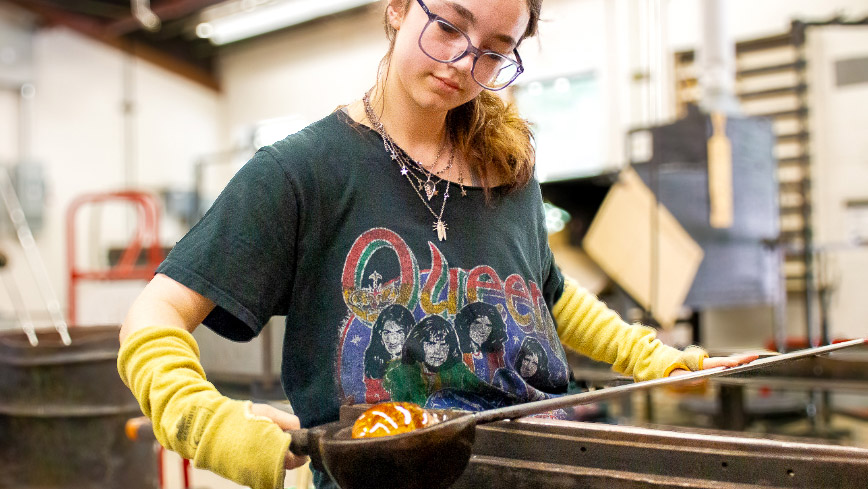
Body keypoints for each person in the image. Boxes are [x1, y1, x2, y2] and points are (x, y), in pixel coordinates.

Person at [116, 0, 758, 488]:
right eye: (448, 26)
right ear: (397, 7)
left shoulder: (507, 164)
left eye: (493, 51)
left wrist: (655, 358)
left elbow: (545, 296)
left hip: (544, 467)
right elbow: (154, 316)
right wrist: (209, 422)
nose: (462, 64)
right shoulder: (302, 173)